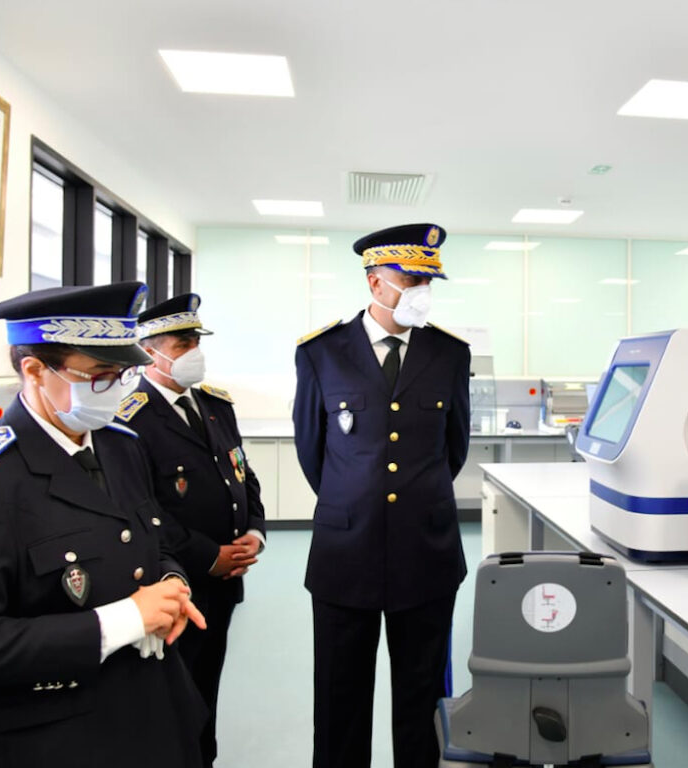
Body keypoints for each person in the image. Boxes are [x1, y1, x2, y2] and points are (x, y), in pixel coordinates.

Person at [0, 282, 208, 768]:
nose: (117, 389)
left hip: (143, 708)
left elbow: (146, 540)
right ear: (34, 371)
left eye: (125, 374)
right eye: (101, 376)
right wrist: (125, 619)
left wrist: (170, 585)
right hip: (41, 731)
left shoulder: (119, 445)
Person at [293, 223, 471, 768]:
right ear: (375, 283)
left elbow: (454, 447)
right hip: (346, 554)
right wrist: (358, 503)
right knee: (340, 696)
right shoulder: (322, 352)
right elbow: (312, 451)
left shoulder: (449, 353)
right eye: (410, 278)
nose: (422, 289)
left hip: (427, 551)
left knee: (422, 699)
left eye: (428, 280)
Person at [117, 292, 266, 767]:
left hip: (225, 584)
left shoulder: (215, 406)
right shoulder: (132, 419)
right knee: (171, 697)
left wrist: (254, 533)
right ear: (150, 351)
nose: (194, 353)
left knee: (206, 688)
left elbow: (244, 475)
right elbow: (146, 511)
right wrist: (209, 556)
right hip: (174, 582)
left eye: (195, 342)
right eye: (183, 344)